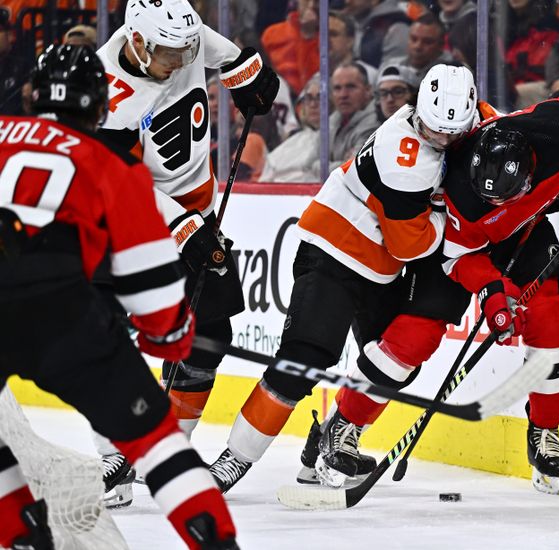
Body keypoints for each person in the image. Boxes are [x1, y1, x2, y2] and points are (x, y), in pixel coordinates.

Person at [307, 61, 559, 492]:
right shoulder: (456, 190)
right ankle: (344, 425)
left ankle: (544, 432)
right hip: (461, 241)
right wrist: (492, 293)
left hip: (523, 230)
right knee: (414, 337)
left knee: (549, 315)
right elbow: (456, 257)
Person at [0, 44, 238, 550]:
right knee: (157, 443)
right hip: (62, 316)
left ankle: (20, 534)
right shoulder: (109, 164)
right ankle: (217, 544)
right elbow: (149, 289)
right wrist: (173, 336)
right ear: (100, 104)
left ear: (32, 94)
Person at [208, 64, 481, 493]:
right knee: (305, 358)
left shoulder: (448, 118)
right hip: (335, 252)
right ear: (420, 114)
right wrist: (456, 220)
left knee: (393, 359)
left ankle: (332, 437)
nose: (442, 140)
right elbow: (411, 247)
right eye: (434, 130)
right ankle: (233, 459)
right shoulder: (405, 157)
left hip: (381, 269)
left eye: (453, 132)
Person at [94, 0, 279, 506]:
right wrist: (179, 226)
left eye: (185, 50)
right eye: (168, 55)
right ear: (136, 41)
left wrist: (249, 74)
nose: (180, 61)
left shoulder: (181, 34)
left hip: (196, 206)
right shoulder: (107, 92)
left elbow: (218, 52)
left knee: (209, 332)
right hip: (127, 221)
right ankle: (115, 450)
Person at [258, 75, 323, 183]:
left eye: (320, 98)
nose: (313, 104)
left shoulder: (336, 140)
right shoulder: (289, 144)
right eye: (308, 98)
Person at [329, 62, 381, 166]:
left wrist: (325, 165)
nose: (343, 95)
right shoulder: (331, 120)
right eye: (337, 88)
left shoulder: (375, 123)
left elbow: (353, 169)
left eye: (350, 87)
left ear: (368, 90)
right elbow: (310, 164)